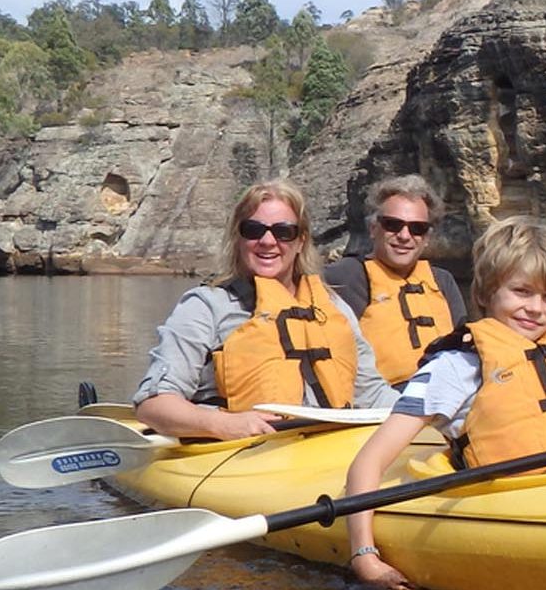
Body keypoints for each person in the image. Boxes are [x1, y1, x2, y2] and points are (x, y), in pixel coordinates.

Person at [341, 216, 546, 590]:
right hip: (514, 508)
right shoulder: (456, 368)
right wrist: (365, 556)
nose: (536, 309)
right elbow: (369, 461)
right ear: (486, 293)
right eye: (522, 292)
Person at [133, 179, 398, 440]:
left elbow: (372, 393)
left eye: (283, 232)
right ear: (238, 237)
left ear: (300, 241)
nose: (268, 241)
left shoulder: (333, 307)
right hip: (244, 451)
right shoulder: (206, 307)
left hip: (328, 447)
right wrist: (220, 424)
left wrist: (430, 412)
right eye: (253, 229)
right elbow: (153, 404)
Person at [322, 174, 468, 386]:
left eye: (417, 228)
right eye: (393, 224)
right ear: (373, 229)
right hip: (378, 402)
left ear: (426, 238)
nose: (404, 236)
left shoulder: (442, 281)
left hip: (445, 395)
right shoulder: (344, 277)